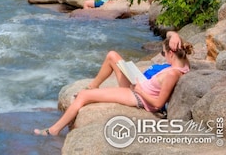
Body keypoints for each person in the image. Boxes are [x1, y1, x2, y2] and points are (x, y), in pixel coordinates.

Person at [34, 31, 193, 136]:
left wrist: (139, 90)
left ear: (171, 53)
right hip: (139, 85)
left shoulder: (172, 73)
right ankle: (93, 86)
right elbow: (170, 35)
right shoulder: (183, 63)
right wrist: (174, 35)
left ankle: (53, 131)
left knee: (83, 96)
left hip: (139, 96)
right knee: (112, 56)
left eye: (163, 54)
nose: (163, 56)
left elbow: (158, 104)